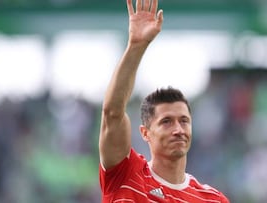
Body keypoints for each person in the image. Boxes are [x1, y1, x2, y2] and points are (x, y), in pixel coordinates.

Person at [98, 0, 230, 202]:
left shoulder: (213, 199)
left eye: (184, 121)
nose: (178, 129)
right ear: (145, 133)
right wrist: (136, 46)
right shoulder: (126, 174)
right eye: (166, 121)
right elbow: (112, 113)